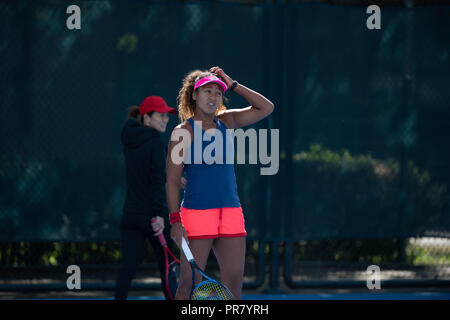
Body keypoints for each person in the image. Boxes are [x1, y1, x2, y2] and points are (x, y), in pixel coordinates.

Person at [166, 66, 274, 300]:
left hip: (231, 213)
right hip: (196, 213)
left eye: (218, 92)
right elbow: (173, 181)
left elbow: (267, 107)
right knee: (187, 284)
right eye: (207, 91)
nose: (213, 97)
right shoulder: (181, 132)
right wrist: (175, 221)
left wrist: (233, 84)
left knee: (233, 288)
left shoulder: (228, 121)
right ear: (194, 95)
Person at [115, 96, 184, 300]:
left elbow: (143, 173)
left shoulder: (130, 139)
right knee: (167, 268)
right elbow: (155, 183)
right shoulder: (155, 143)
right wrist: (159, 216)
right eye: (161, 116)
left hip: (131, 215)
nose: (165, 120)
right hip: (154, 218)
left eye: (166, 116)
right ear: (147, 118)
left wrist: (170, 177)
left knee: (127, 268)